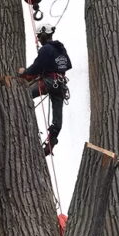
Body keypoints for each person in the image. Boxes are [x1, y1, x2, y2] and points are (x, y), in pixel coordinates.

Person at [18, 23, 71, 155]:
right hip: (60, 85)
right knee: (57, 116)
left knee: (23, 95)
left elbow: (36, 68)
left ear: (42, 35)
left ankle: (26, 124)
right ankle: (52, 138)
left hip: (49, 82)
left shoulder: (46, 49)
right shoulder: (61, 49)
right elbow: (66, 65)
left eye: (39, 37)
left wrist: (24, 73)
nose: (39, 40)